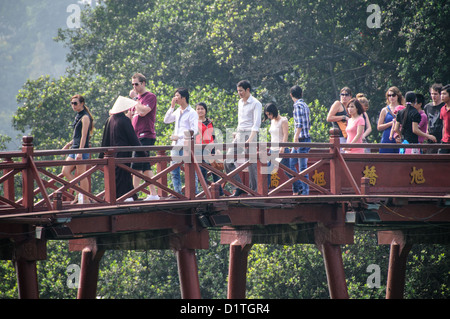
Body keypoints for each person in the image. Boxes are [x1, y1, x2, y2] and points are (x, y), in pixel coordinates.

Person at [100, 97, 144, 201]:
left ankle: (118, 196)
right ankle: (125, 196)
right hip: (123, 153)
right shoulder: (124, 120)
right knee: (124, 175)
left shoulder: (109, 120)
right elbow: (133, 138)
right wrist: (142, 152)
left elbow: (105, 139)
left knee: (116, 176)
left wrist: (102, 155)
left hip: (110, 154)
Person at [225, 80, 262, 197]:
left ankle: (254, 191)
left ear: (247, 90)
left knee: (251, 163)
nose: (239, 93)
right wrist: (236, 135)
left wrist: (250, 140)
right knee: (228, 161)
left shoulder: (256, 103)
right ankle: (238, 187)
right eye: (238, 91)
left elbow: (256, 125)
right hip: (240, 133)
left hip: (251, 134)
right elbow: (240, 120)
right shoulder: (240, 102)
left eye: (241, 91)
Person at [128, 73, 159, 200]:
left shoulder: (150, 97)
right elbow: (129, 116)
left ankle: (132, 194)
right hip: (136, 136)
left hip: (146, 135)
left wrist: (135, 99)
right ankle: (153, 194)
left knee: (136, 164)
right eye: (132, 84)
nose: (134, 87)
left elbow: (142, 112)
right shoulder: (135, 101)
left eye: (136, 84)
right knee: (145, 165)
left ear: (143, 83)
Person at [164, 88, 199, 195]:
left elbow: (195, 131)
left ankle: (195, 193)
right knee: (174, 171)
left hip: (186, 146)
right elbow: (166, 120)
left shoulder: (192, 112)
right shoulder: (177, 111)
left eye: (177, 96)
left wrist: (178, 136)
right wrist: (172, 107)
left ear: (184, 98)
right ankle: (177, 193)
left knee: (191, 171)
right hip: (176, 146)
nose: (175, 98)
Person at [62, 94, 94, 204]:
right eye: (72, 103)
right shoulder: (78, 116)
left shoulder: (85, 117)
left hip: (81, 150)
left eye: (75, 103)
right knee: (65, 171)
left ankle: (85, 199)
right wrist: (68, 144)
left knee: (81, 175)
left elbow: (84, 136)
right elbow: (76, 136)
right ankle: (79, 193)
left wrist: (80, 152)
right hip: (74, 149)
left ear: (82, 103)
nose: (73, 105)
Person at [195, 102, 224, 196]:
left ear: (205, 110)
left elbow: (213, 136)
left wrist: (217, 149)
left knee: (216, 171)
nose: (200, 111)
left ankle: (220, 193)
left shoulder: (210, 122)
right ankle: (207, 193)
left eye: (202, 108)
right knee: (202, 173)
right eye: (198, 109)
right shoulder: (194, 122)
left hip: (211, 148)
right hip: (200, 150)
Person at [263, 103, 292, 189]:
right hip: (272, 149)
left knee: (288, 172)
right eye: (267, 115)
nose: (268, 116)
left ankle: (299, 187)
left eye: (269, 114)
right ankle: (266, 191)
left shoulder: (283, 120)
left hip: (281, 149)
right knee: (267, 169)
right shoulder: (272, 121)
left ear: (274, 112)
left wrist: (282, 147)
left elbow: (285, 135)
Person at [290, 85, 311, 195]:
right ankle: (300, 187)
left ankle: (305, 192)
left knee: (301, 167)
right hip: (306, 138)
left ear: (291, 95)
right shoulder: (305, 105)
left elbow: (299, 123)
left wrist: (295, 137)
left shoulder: (297, 105)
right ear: (301, 94)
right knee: (291, 164)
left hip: (300, 139)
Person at [377, 86, 404, 153]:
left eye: (393, 95)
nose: (391, 97)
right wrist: (391, 123)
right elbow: (379, 127)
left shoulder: (403, 109)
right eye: (389, 95)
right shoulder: (384, 110)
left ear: (398, 96)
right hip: (387, 137)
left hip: (399, 136)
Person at [424, 83, 445, 153]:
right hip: (430, 137)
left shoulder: (444, 106)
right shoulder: (427, 107)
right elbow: (426, 121)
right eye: (432, 94)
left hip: (441, 136)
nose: (433, 96)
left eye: (435, 94)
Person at [439, 84, 450, 154]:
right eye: (441, 94)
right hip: (445, 141)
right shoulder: (443, 109)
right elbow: (444, 126)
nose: (442, 96)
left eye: (444, 94)